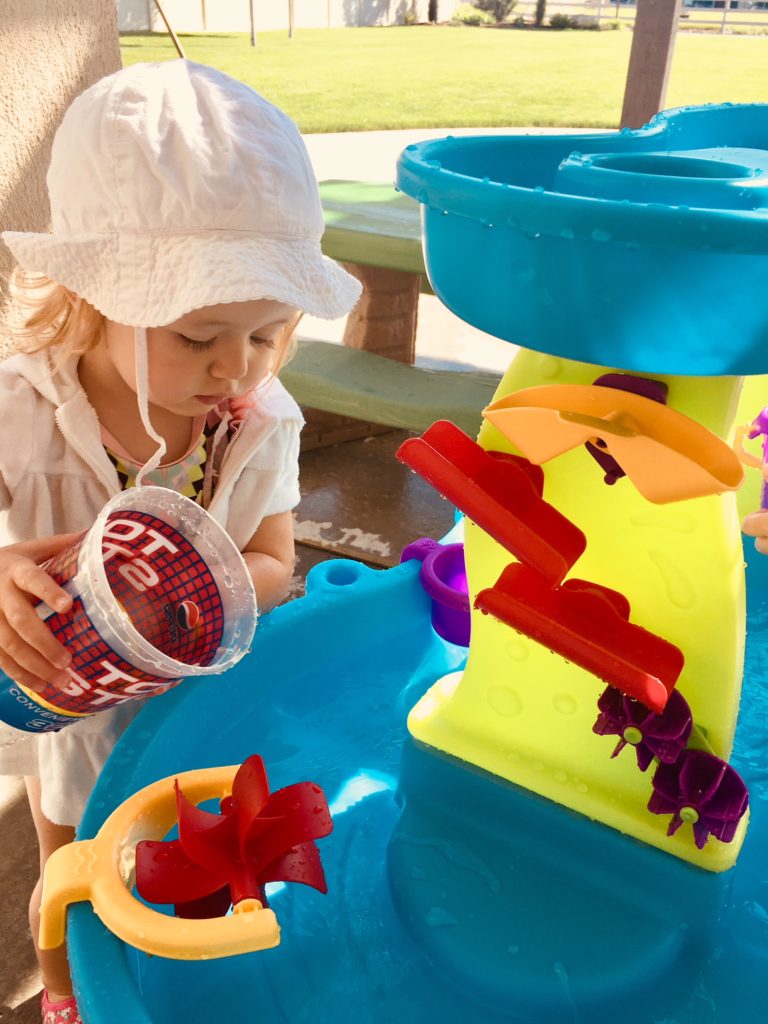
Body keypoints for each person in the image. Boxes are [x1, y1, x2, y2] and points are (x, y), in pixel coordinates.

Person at [0, 60, 361, 1024]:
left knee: (191, 860)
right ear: (94, 296)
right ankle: (67, 989)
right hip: (68, 695)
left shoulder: (258, 421)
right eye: (201, 334)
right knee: (73, 863)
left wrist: (209, 600)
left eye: (267, 333)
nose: (234, 367)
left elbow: (278, 558)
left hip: (207, 699)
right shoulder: (21, 407)